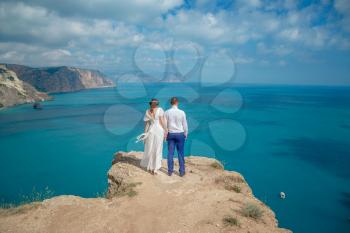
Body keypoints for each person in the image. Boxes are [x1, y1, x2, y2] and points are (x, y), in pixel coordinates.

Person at [139, 99, 167, 175]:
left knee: (150, 148)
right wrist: (166, 130)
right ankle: (155, 169)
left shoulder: (147, 111)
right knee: (157, 149)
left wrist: (144, 134)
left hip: (151, 131)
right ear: (157, 104)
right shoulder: (160, 110)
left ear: (150, 104)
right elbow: (162, 122)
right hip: (158, 131)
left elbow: (147, 125)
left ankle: (150, 167)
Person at [165, 97, 188, 177]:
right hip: (180, 134)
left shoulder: (167, 112)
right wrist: (186, 133)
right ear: (177, 102)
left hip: (170, 134)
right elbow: (185, 124)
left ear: (171, 103)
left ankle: (170, 171)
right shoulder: (182, 112)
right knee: (180, 153)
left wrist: (165, 134)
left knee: (170, 153)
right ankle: (182, 172)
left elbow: (165, 125)